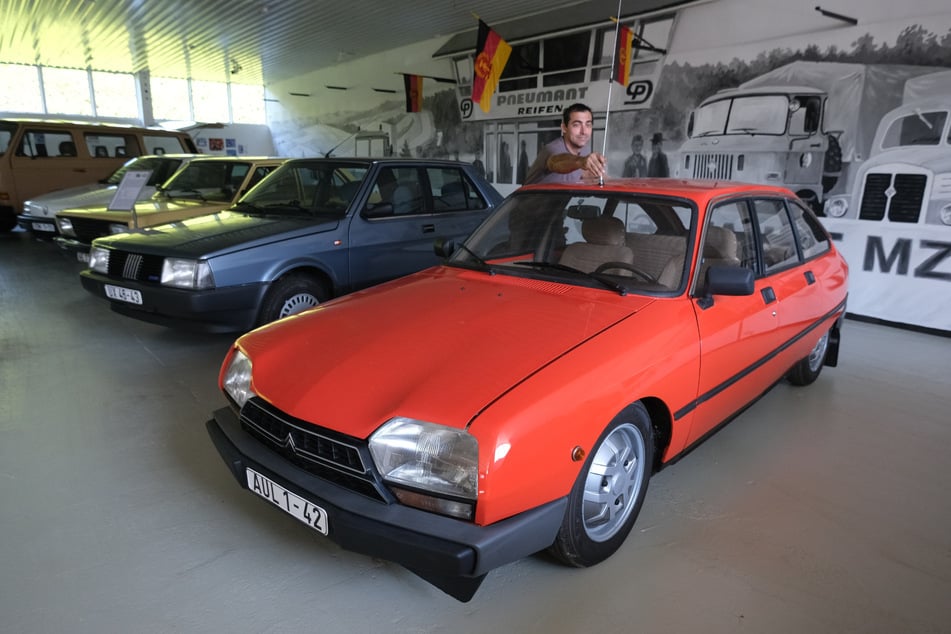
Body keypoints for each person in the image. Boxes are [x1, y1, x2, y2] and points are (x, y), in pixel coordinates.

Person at [524, 103, 607, 184]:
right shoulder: (552, 149)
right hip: (530, 197)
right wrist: (581, 161)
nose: (584, 132)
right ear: (564, 128)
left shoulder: (585, 151)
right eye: (576, 125)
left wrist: (599, 173)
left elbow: (583, 175)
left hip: (560, 197)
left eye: (588, 125)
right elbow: (555, 163)